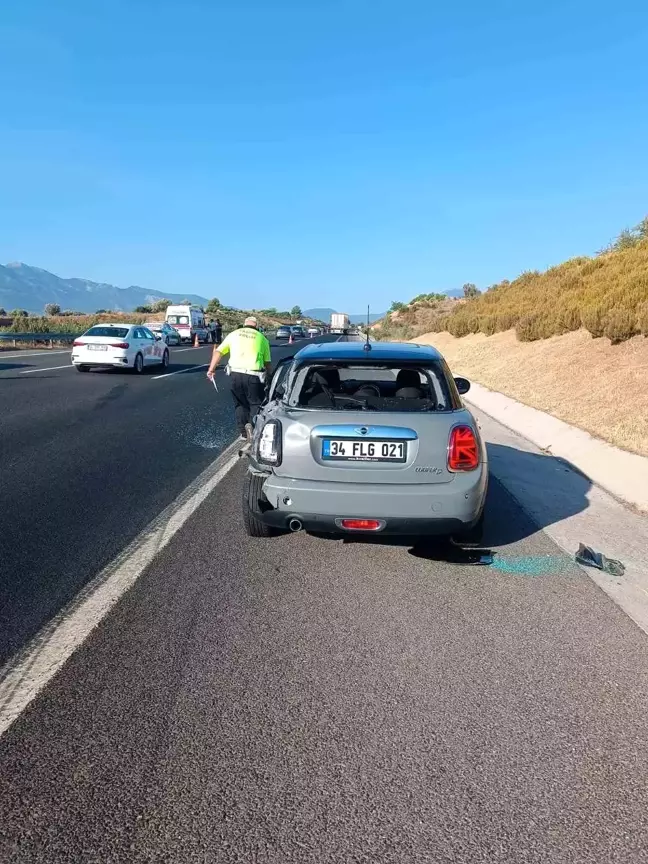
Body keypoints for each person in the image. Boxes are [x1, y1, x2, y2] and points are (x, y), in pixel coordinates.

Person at [206, 316, 271, 441]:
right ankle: (253, 429)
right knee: (255, 403)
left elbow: (218, 352)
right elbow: (267, 362)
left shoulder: (234, 334)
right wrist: (270, 375)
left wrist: (211, 369)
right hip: (254, 375)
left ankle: (243, 433)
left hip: (235, 374)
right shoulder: (262, 338)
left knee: (240, 403)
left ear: (244, 324)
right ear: (256, 326)